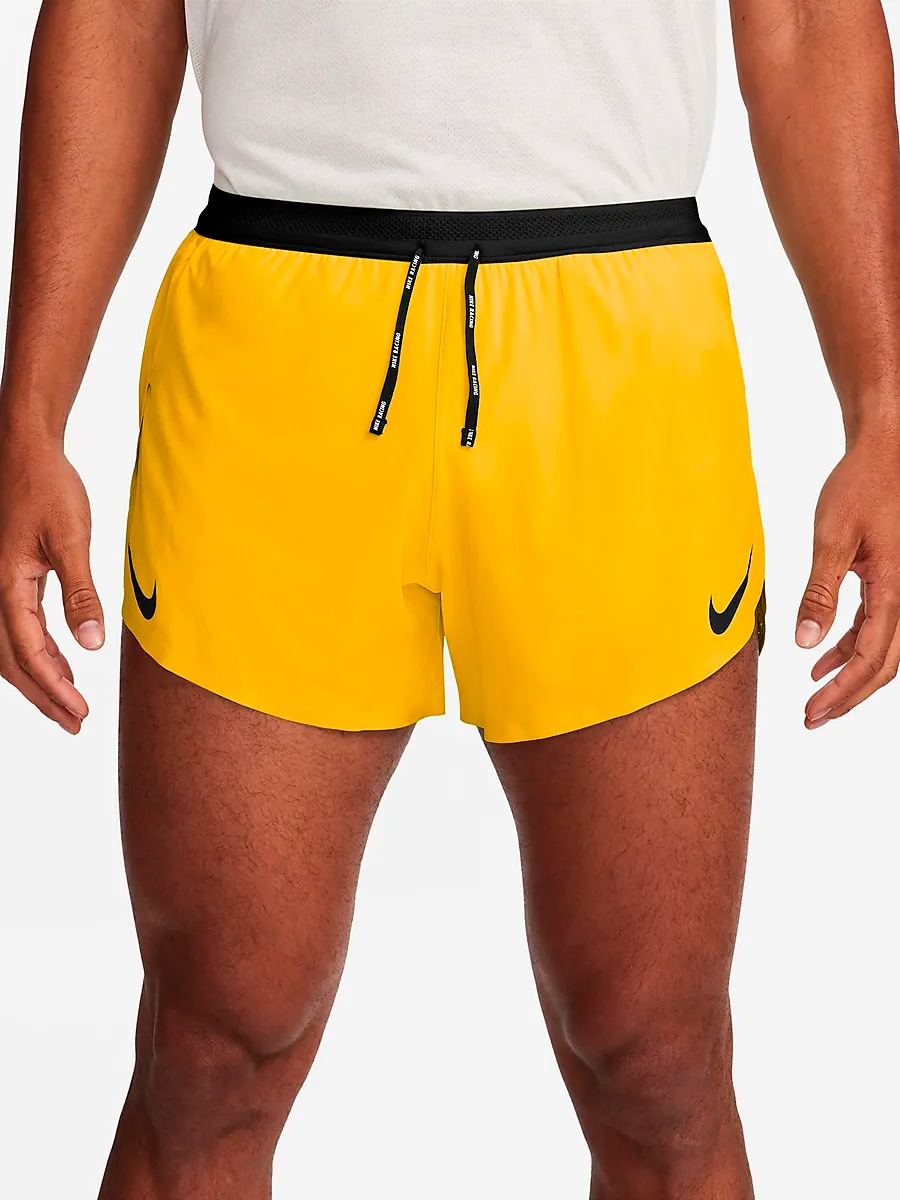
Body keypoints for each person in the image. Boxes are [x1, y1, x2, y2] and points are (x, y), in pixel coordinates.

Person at [2, 0, 899, 1196]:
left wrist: (884, 407)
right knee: (212, 1049)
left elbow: (803, 20)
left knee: (659, 1061)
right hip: (273, 351)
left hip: (618, 353)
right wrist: (30, 413)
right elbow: (118, 14)